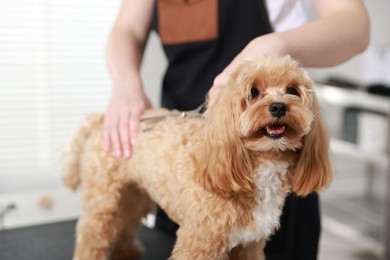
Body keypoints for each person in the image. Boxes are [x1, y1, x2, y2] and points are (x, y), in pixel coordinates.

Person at [103, 0, 370, 259]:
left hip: (282, 191)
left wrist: (273, 44)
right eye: (256, 93)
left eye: (290, 91)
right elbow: (127, 29)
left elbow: (355, 25)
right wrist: (125, 81)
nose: (277, 102)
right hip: (184, 160)